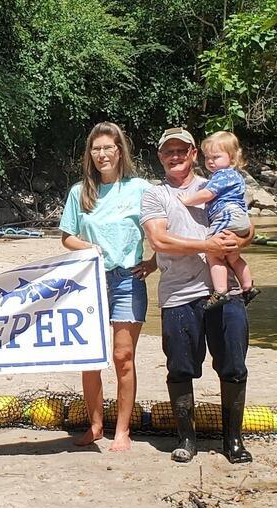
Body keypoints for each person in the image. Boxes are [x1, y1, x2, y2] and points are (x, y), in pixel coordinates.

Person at [139, 127, 254, 464]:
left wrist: (241, 243)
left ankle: (233, 441)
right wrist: (208, 245)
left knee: (234, 366)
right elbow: (160, 241)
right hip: (178, 294)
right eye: (168, 152)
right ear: (160, 157)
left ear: (193, 155)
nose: (175, 156)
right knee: (181, 368)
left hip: (224, 291)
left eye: (182, 151)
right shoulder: (154, 194)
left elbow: (246, 224)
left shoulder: (218, 180)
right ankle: (186, 439)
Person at [57, 122, 155, 452]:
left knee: (123, 357)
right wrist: (87, 248)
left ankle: (123, 430)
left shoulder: (140, 189)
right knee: (90, 358)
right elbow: (67, 237)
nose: (102, 155)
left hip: (129, 280)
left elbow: (163, 230)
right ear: (90, 155)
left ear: (120, 150)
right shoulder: (80, 192)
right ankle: (96, 425)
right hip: (90, 282)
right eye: (96, 149)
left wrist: (154, 263)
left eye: (107, 148)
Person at [184, 129, 259, 309]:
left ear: (232, 159)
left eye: (216, 157)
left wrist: (187, 200)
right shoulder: (236, 176)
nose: (210, 161)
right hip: (240, 220)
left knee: (213, 253)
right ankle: (248, 286)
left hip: (227, 216)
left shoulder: (223, 175)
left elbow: (208, 194)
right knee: (233, 257)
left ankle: (220, 292)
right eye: (207, 157)